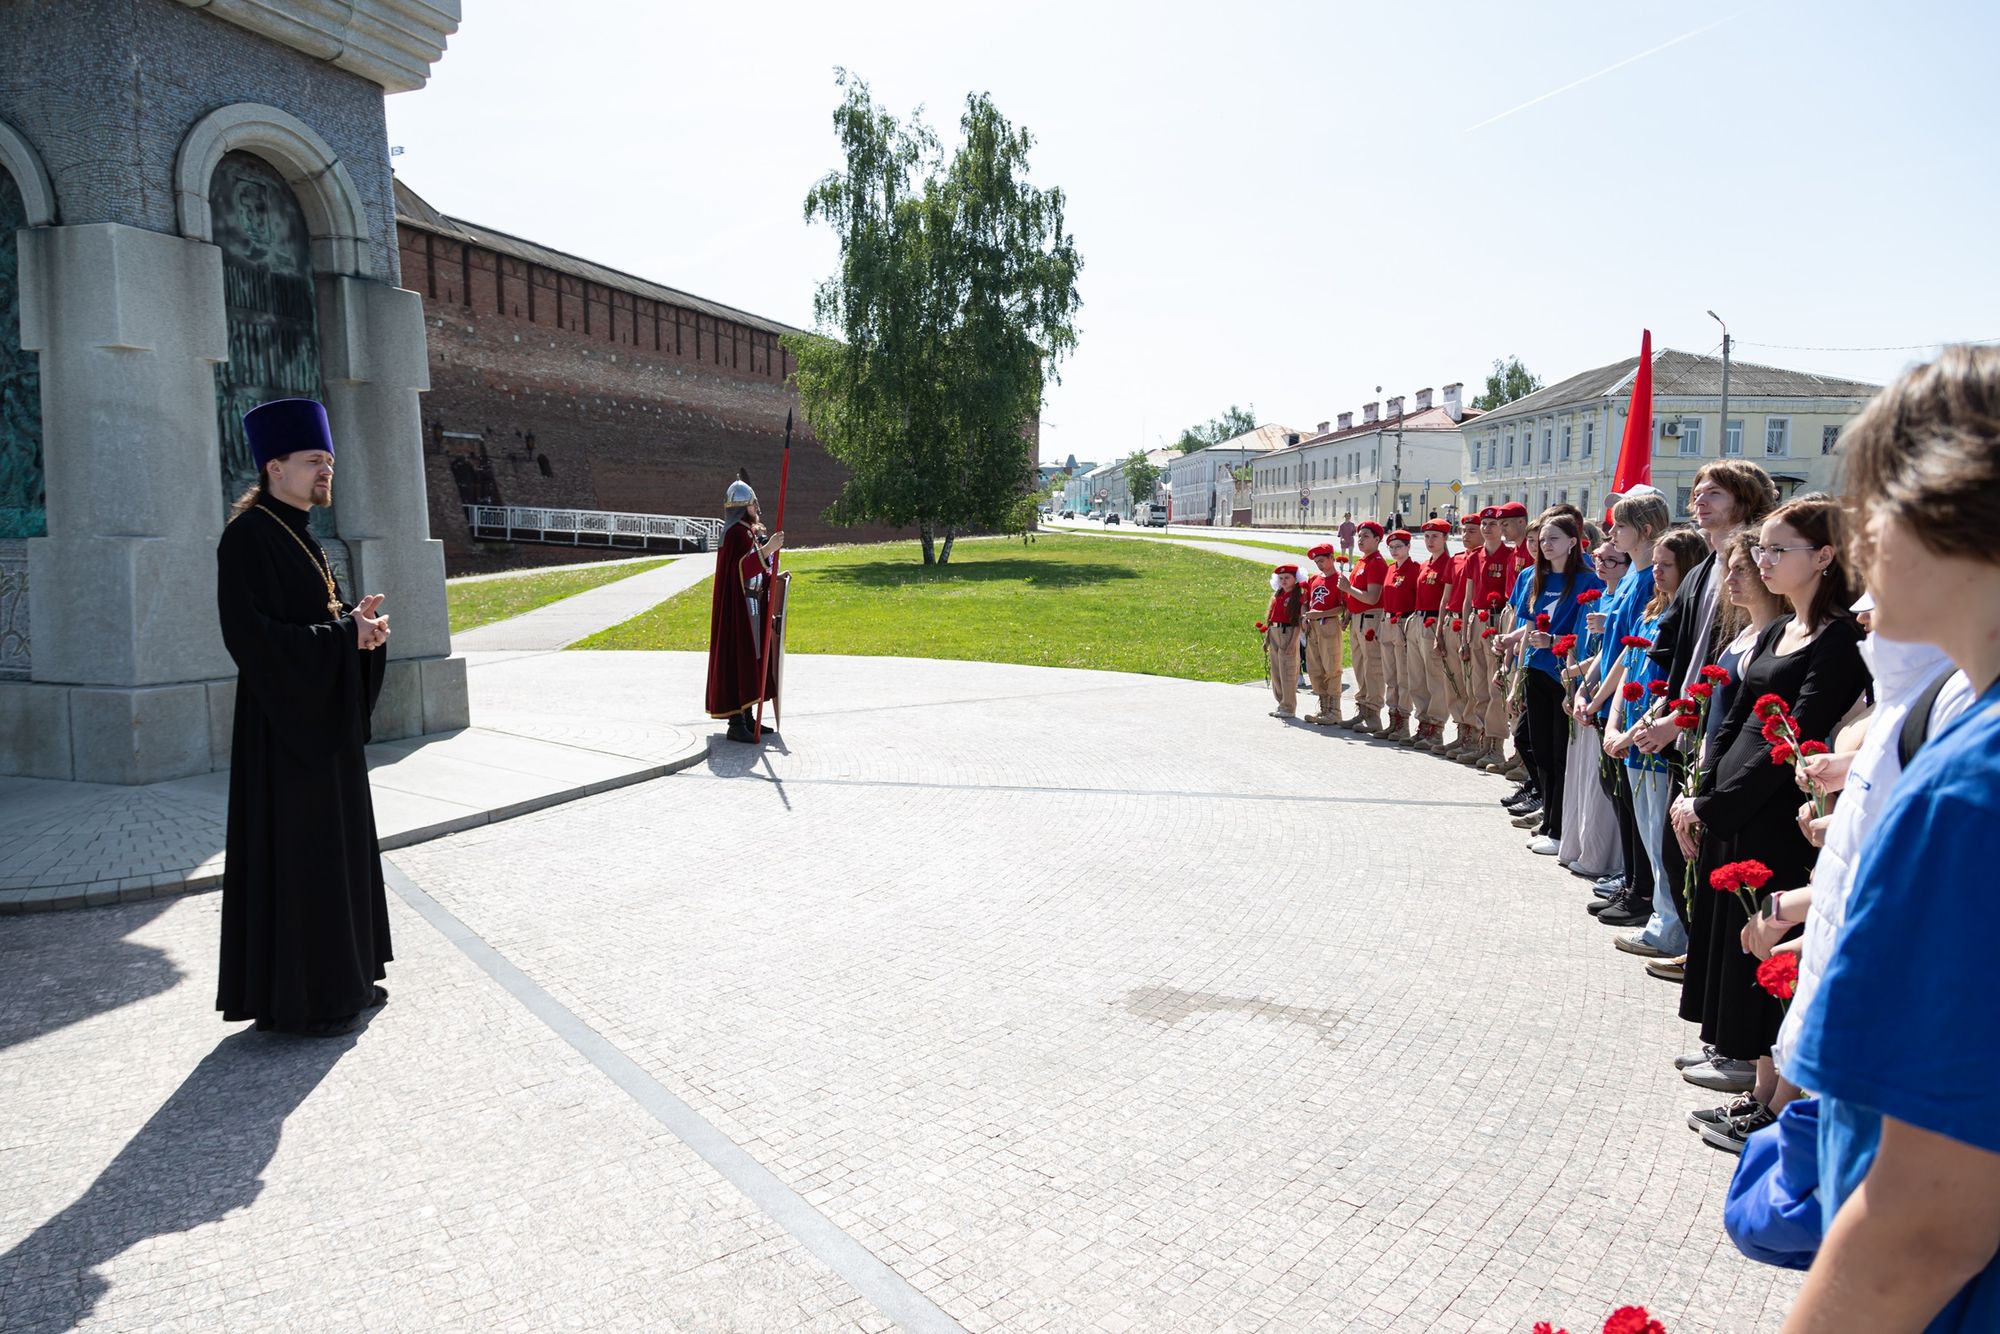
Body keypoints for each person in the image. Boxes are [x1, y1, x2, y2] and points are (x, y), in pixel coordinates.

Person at [1784, 346, 2000, 1333]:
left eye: (1872, 498)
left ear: (1947, 499)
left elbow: (1923, 1225)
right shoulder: (1962, 728)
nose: (1857, 533)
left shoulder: (1972, 788)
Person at [1674, 497, 1870, 1144]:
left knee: (1770, 968)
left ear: (1823, 557)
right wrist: (1699, 795)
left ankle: (1770, 1104)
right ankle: (1758, 1093)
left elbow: (1797, 734)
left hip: (1775, 819)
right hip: (1733, 807)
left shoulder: (1837, 639)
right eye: (1762, 549)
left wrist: (1716, 804)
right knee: (1741, 959)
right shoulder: (1782, 627)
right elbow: (1736, 720)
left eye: (1777, 550)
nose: (1763, 560)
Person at [215, 398, 393, 1038]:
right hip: (283, 731)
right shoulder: (247, 537)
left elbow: (322, 620)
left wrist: (362, 632)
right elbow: (252, 639)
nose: (327, 471)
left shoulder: (302, 534)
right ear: (275, 466)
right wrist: (343, 635)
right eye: (316, 461)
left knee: (335, 852)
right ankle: (307, 1000)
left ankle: (346, 975)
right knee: (303, 858)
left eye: (330, 462)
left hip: (323, 724)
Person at [1501, 511, 1603, 854]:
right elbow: (1528, 626)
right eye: (1542, 540)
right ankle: (1549, 820)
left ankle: (1560, 830)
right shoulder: (1533, 576)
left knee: (1560, 753)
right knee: (1537, 746)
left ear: (1573, 542)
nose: (1545, 545)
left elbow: (1590, 637)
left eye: (1553, 539)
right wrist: (1516, 668)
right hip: (1536, 669)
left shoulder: (1588, 581)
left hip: (1566, 673)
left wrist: (1556, 639)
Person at [706, 477, 785, 742]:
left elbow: (753, 568)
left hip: (752, 602)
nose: (756, 507)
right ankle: (736, 723)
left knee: (753, 661)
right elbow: (741, 569)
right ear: (744, 506)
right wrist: (768, 549)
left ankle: (750, 718)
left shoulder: (745, 531)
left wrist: (771, 573)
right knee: (739, 659)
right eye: (752, 503)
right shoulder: (735, 534)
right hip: (739, 607)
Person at [1335, 521, 1388, 730]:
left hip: (1370, 618)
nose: (1360, 539)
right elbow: (1357, 595)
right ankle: (1363, 709)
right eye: (1359, 535)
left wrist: (1347, 589)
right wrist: (1348, 613)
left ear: (1377, 540)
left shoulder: (1376, 563)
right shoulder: (1361, 562)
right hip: (1358, 618)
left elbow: (1372, 597)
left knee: (1372, 667)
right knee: (1359, 666)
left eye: (1366, 536)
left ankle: (1373, 714)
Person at [1409, 519, 1453, 750]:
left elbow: (1446, 599)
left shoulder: (1448, 563)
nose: (1430, 541)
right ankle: (1423, 722)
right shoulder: (1426, 564)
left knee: (1435, 678)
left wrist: (1440, 631)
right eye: (1426, 537)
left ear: (1445, 538)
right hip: (1417, 619)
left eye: (1435, 536)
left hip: (1433, 620)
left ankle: (1436, 727)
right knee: (1417, 678)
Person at [1377, 530, 1420, 740]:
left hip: (1404, 622)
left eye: (1399, 547)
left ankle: (1403, 721)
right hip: (1388, 621)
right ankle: (1392, 719)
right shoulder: (1390, 569)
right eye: (1391, 547)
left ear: (1408, 547)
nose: (1394, 551)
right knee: (1390, 675)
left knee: (1403, 676)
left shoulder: (1415, 569)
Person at [1300, 544, 1345, 725]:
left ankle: (1335, 710)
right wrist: (1305, 616)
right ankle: (1324, 708)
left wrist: (1321, 614)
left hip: (1329, 623)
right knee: (1315, 667)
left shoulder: (1339, 579)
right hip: (1313, 626)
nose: (1319, 564)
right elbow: (1306, 601)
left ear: (1332, 558)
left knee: (1331, 666)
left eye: (1322, 560)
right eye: (1317, 561)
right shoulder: (1314, 580)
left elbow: (1342, 606)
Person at [1263, 564, 1305, 719]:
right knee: (1276, 671)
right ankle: (1281, 703)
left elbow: (1298, 622)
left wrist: (1293, 643)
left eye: (1287, 577)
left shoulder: (1297, 596)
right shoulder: (1277, 594)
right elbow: (1271, 618)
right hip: (1274, 632)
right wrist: (1267, 640)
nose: (1284, 581)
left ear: (1296, 578)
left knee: (1287, 670)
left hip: (1287, 633)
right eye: (1281, 578)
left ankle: (1289, 706)